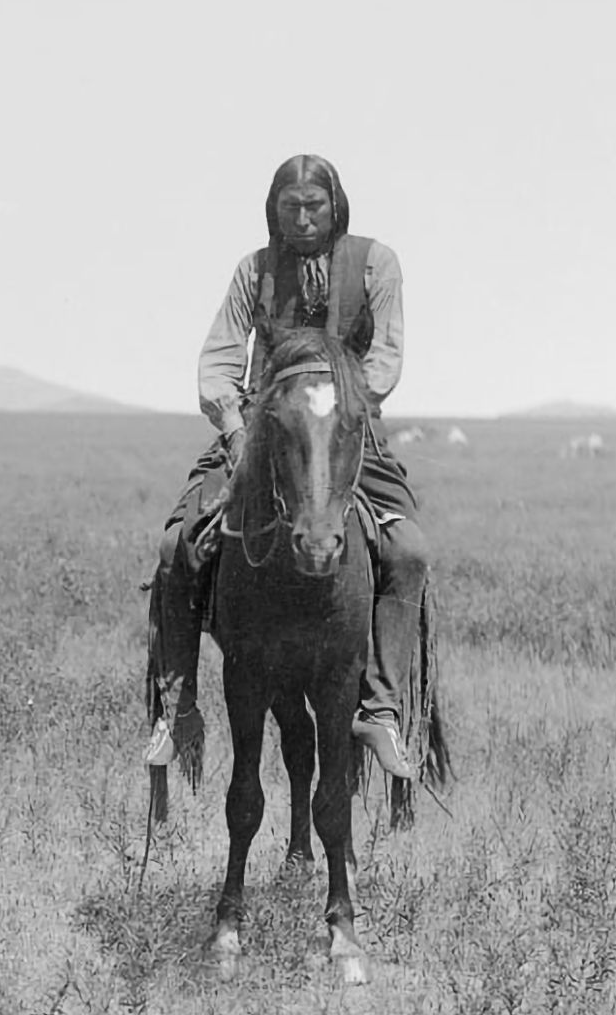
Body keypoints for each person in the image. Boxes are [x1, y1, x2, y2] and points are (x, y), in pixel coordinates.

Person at [146, 154, 428, 779]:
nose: (302, 219)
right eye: (289, 208)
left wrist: (345, 411)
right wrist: (236, 429)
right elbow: (219, 360)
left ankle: (379, 710)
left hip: (345, 429)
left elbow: (385, 358)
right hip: (262, 430)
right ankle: (179, 708)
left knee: (407, 551)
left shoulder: (377, 264)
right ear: (273, 211)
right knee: (177, 548)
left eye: (314, 207)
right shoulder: (254, 271)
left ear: (337, 206)